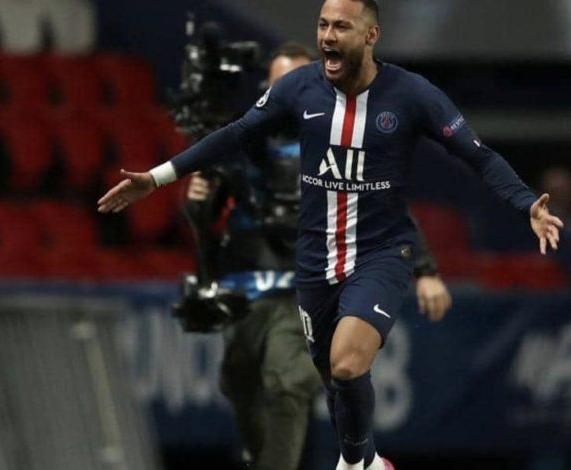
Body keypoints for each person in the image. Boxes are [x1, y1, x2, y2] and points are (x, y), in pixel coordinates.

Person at [97, 1, 564, 469]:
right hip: (315, 260)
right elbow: (237, 134)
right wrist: (156, 177)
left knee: (346, 363)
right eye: (323, 25)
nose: (328, 36)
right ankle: (369, 461)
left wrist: (526, 203)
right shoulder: (299, 87)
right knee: (336, 380)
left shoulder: (412, 94)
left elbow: (478, 155)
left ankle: (355, 465)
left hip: (381, 254)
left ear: (371, 35)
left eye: (342, 26)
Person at [181, 42, 451, 470]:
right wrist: (199, 201)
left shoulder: (344, 142)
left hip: (310, 288)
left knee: (287, 382)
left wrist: (426, 270)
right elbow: (207, 220)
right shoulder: (243, 142)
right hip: (248, 291)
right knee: (238, 381)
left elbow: (386, 210)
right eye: (280, 84)